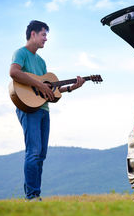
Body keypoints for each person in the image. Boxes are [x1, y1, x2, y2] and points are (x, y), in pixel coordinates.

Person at [9, 20, 85, 201]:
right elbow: (14, 72)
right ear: (33, 34)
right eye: (43, 34)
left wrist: (72, 88)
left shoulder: (41, 62)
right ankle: (31, 195)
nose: (46, 39)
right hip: (27, 108)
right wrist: (38, 85)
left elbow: (50, 91)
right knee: (33, 151)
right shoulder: (21, 53)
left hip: (43, 109)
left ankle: (36, 194)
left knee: (41, 155)